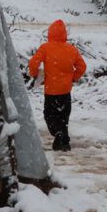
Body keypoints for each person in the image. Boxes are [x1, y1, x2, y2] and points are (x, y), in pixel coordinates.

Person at [28, 19, 86, 151]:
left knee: (50, 115)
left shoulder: (45, 48)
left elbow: (33, 64)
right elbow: (82, 67)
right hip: (65, 91)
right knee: (63, 117)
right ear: (64, 34)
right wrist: (73, 78)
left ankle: (58, 134)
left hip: (51, 91)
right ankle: (64, 142)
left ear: (50, 33)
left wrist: (35, 74)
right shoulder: (71, 49)